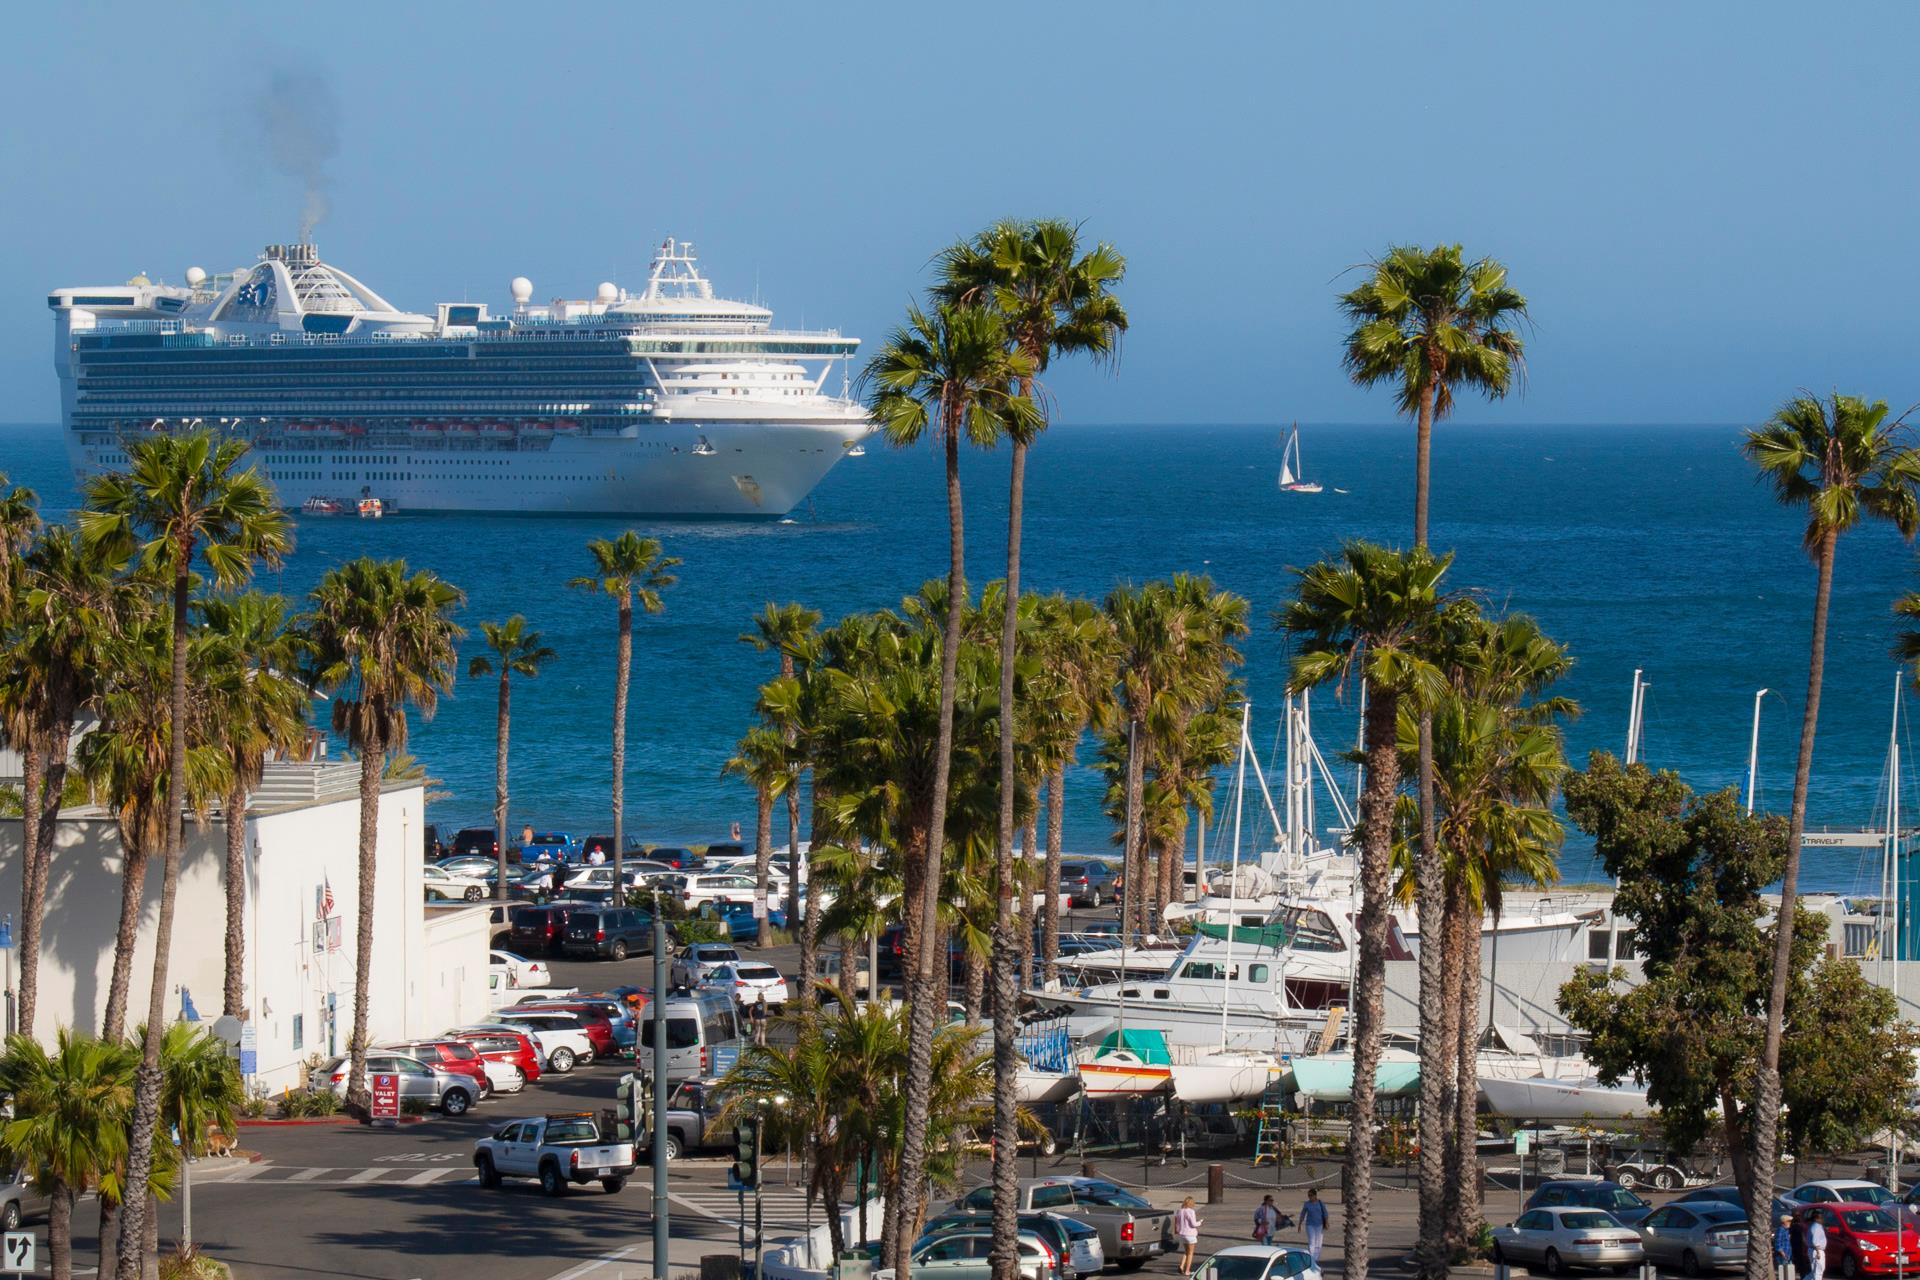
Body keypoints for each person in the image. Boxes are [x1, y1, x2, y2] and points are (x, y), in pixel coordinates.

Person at [1300, 1188, 1329, 1264]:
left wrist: (1326, 1222)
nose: (1309, 1197)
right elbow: (1303, 1213)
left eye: (1311, 1195)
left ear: (1315, 1195)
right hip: (1310, 1224)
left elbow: (1325, 1213)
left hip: (1319, 1224)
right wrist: (1300, 1223)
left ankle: (1316, 1259)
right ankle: (1312, 1259)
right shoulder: (1307, 1204)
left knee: (1319, 1242)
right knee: (1312, 1242)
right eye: (1308, 1195)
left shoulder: (1320, 1203)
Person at [1174, 1197, 1202, 1276]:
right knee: (1190, 1253)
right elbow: (1193, 1224)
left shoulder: (1179, 1211)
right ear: (1191, 1203)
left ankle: (1182, 1266)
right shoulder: (1191, 1211)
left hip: (1182, 1235)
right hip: (1190, 1235)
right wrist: (1200, 1222)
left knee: (1186, 1252)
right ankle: (1187, 1271)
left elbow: (1177, 1223)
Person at [1807, 1212, 1827, 1280]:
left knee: (1814, 1272)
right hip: (1817, 1250)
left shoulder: (1813, 1226)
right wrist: (1818, 1252)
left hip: (1813, 1250)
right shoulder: (1817, 1227)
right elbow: (1815, 1241)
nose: (1822, 1220)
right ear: (1816, 1219)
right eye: (1820, 1218)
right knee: (1818, 1271)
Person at [1774, 1213, 1795, 1280]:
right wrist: (1783, 1254)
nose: (1790, 1223)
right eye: (1789, 1221)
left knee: (1789, 1274)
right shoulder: (1780, 1230)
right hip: (1782, 1256)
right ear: (1784, 1222)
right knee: (1783, 1274)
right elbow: (1777, 1243)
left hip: (1788, 1255)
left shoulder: (1787, 1230)